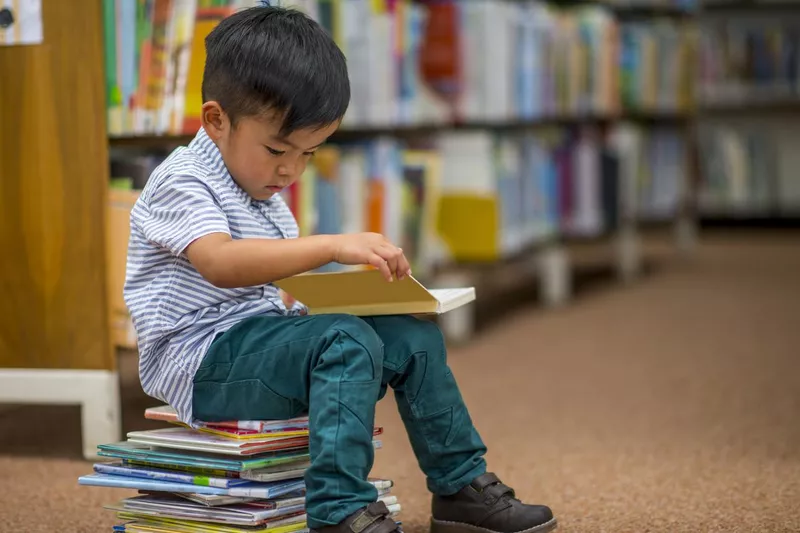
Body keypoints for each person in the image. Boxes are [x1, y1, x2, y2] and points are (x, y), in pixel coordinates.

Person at [124, 5, 556, 533]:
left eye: (310, 153)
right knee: (344, 341)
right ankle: (337, 510)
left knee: (411, 338)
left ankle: (459, 486)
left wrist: (355, 298)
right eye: (278, 149)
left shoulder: (262, 188)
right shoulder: (182, 180)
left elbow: (275, 295)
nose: (291, 169)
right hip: (200, 362)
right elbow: (219, 262)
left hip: (256, 342)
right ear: (216, 120)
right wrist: (328, 246)